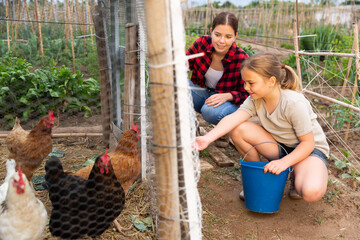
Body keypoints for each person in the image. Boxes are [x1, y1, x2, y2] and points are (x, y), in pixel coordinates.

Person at [195, 52, 329, 203]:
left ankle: (296, 173)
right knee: (239, 130)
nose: (246, 87)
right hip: (281, 147)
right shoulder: (255, 99)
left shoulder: (293, 103)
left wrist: (284, 163)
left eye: (251, 83)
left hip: (308, 151)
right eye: (245, 82)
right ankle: (258, 180)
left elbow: (308, 143)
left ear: (271, 81)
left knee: (311, 192)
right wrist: (207, 138)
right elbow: (234, 118)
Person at [186, 12, 249, 146]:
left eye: (228, 37)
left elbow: (248, 94)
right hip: (203, 93)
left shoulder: (241, 58)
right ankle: (189, 127)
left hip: (226, 102)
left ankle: (224, 129)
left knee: (209, 112)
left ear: (235, 36)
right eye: (217, 34)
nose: (221, 41)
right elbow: (186, 62)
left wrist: (229, 96)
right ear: (211, 32)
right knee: (178, 85)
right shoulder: (202, 43)